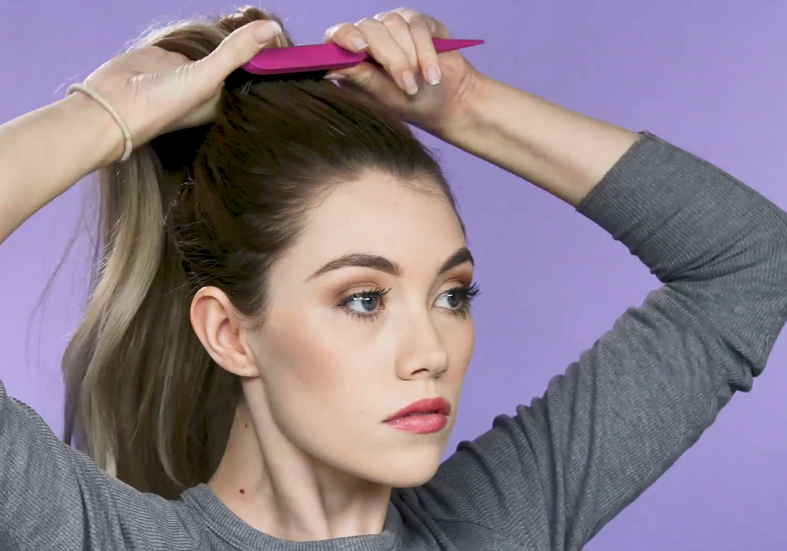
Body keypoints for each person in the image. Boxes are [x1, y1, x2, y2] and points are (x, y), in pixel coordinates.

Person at [1, 5, 785, 551]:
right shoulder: (99, 537)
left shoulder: (500, 523)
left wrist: (469, 106)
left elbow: (750, 264)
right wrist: (103, 115)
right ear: (229, 331)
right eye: (364, 298)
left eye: (451, 295)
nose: (431, 352)